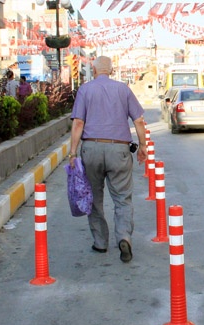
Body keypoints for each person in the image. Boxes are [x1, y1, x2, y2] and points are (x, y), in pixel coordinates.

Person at [68, 56, 147, 263]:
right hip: (119, 150)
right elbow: (138, 120)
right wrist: (143, 146)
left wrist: (73, 152)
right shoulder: (123, 89)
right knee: (122, 197)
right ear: (111, 70)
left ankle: (101, 242)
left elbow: (78, 122)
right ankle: (124, 237)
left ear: (93, 70)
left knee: (94, 197)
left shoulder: (85, 90)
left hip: (92, 148)